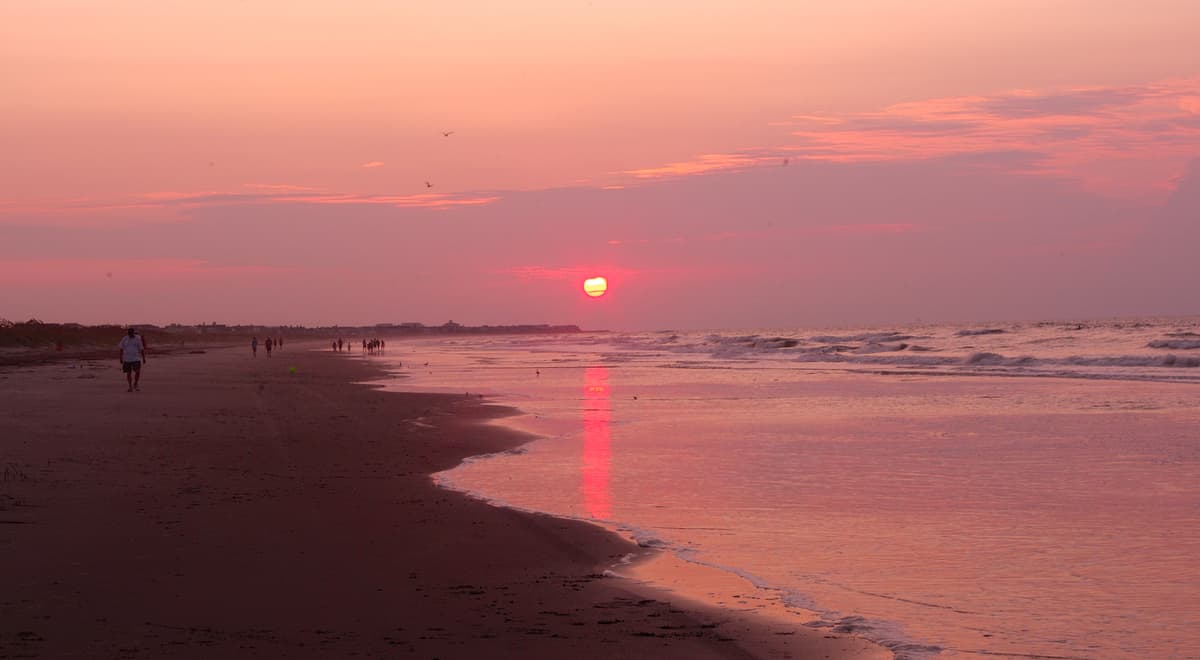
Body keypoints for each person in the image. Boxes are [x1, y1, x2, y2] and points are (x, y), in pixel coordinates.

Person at [118, 327, 146, 392]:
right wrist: (121, 358)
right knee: (128, 373)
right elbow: (121, 348)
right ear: (128, 333)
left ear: (133, 333)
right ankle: (130, 386)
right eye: (129, 333)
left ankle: (135, 383)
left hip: (136, 358)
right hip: (127, 359)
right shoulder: (125, 338)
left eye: (131, 333)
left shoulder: (137, 339)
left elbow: (141, 349)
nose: (130, 335)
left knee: (137, 371)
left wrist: (144, 358)